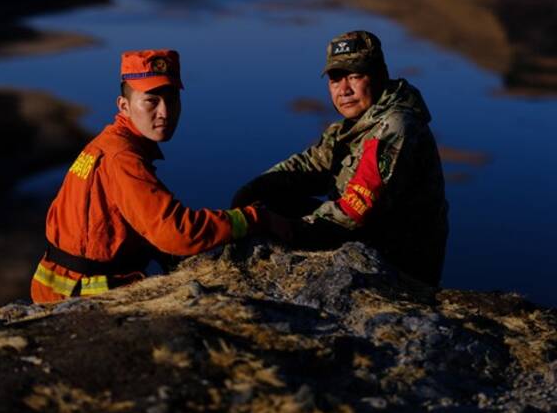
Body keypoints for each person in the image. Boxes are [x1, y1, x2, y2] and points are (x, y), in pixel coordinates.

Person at [31, 49, 283, 303]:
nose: (165, 112)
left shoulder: (107, 144)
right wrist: (252, 219)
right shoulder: (122, 157)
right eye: (151, 101)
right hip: (79, 298)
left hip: (58, 289)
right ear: (124, 106)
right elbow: (175, 234)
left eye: (172, 99)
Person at [231, 30, 448, 286]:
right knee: (267, 200)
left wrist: (287, 226)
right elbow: (311, 164)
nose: (344, 89)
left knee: (271, 219)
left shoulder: (396, 126)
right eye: (335, 79)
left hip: (395, 264)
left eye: (355, 76)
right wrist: (253, 190)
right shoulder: (355, 125)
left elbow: (356, 210)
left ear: (380, 75)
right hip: (364, 240)